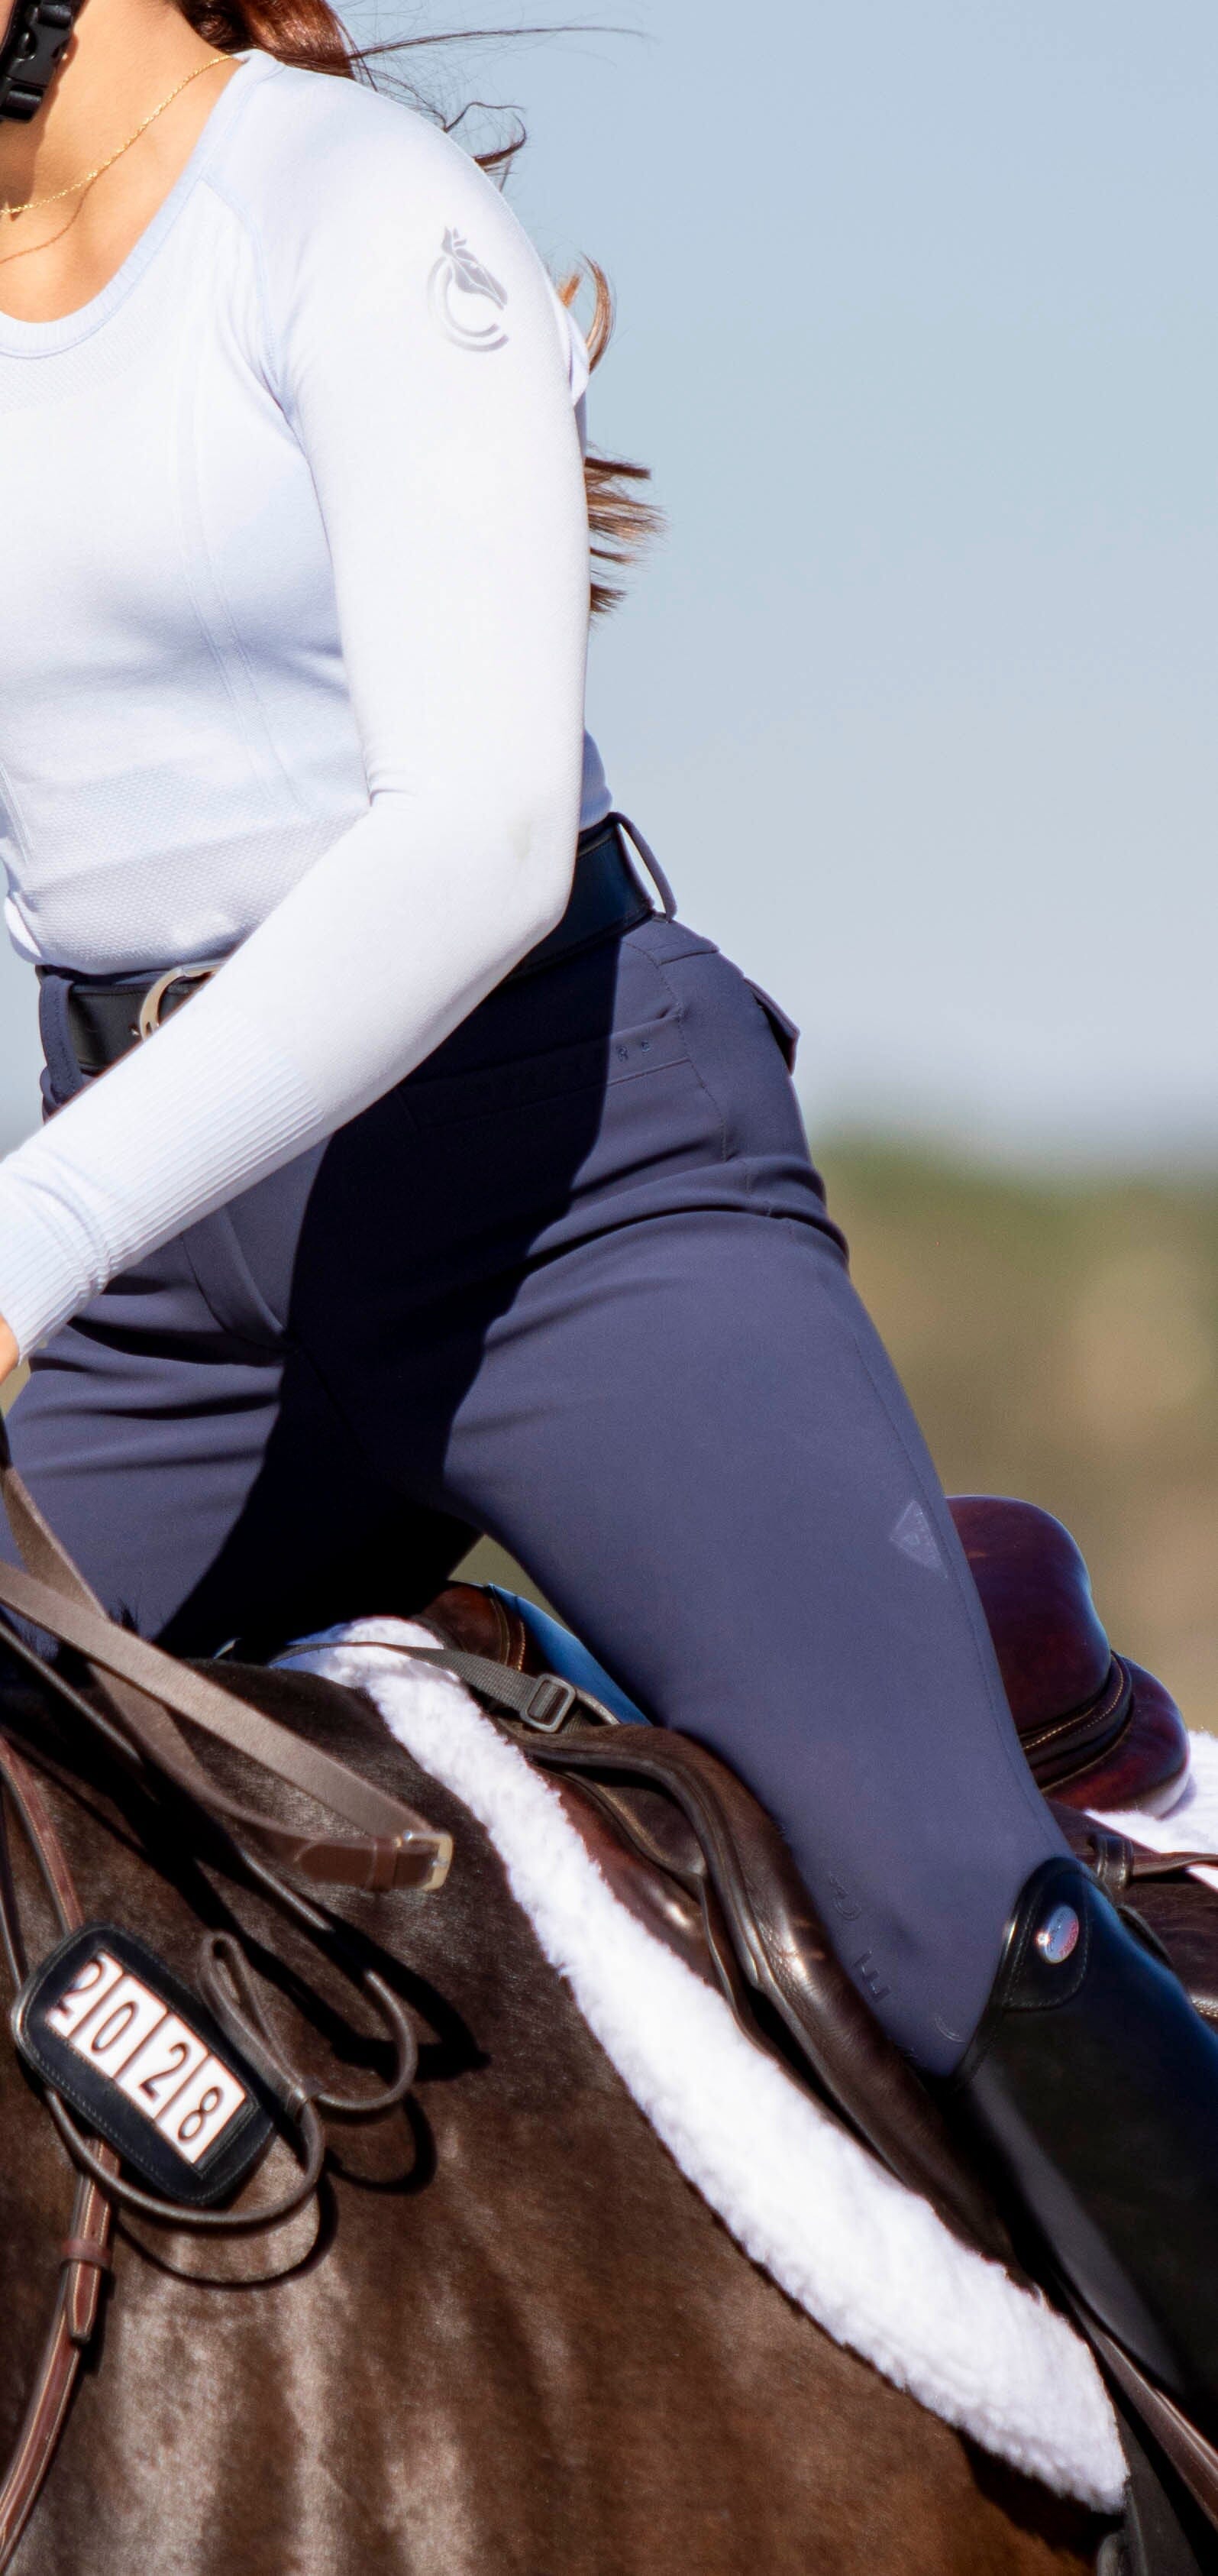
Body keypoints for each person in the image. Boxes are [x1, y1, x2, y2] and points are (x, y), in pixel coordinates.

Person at [1, 0, 1216, 2455]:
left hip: (547, 1189)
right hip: (150, 1272)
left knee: (923, 1898)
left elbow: (457, 845)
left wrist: (30, 1239)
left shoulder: (350, 219)